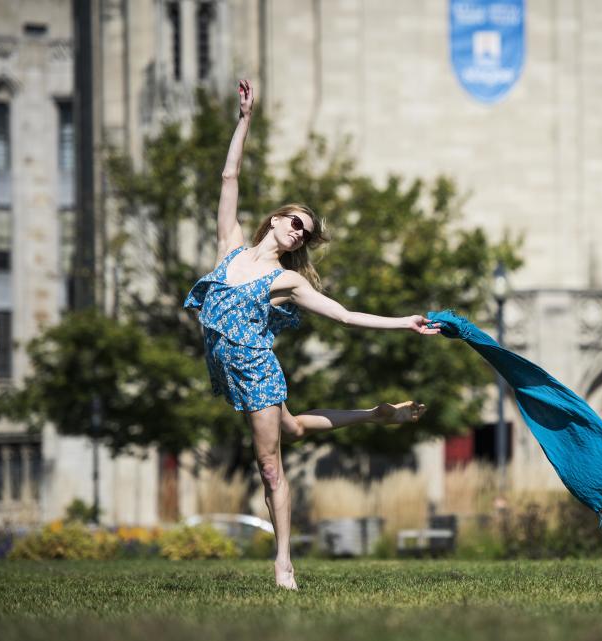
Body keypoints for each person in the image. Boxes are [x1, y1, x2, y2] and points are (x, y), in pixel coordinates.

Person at [183, 79, 440, 590]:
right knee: (296, 428)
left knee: (270, 466)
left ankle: (283, 564)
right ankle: (374, 414)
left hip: (254, 368)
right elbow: (229, 175)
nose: (298, 232)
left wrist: (404, 322)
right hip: (225, 366)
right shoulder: (230, 247)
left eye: (304, 231)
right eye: (295, 222)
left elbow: (343, 316)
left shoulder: (287, 280)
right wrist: (245, 119)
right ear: (276, 219)